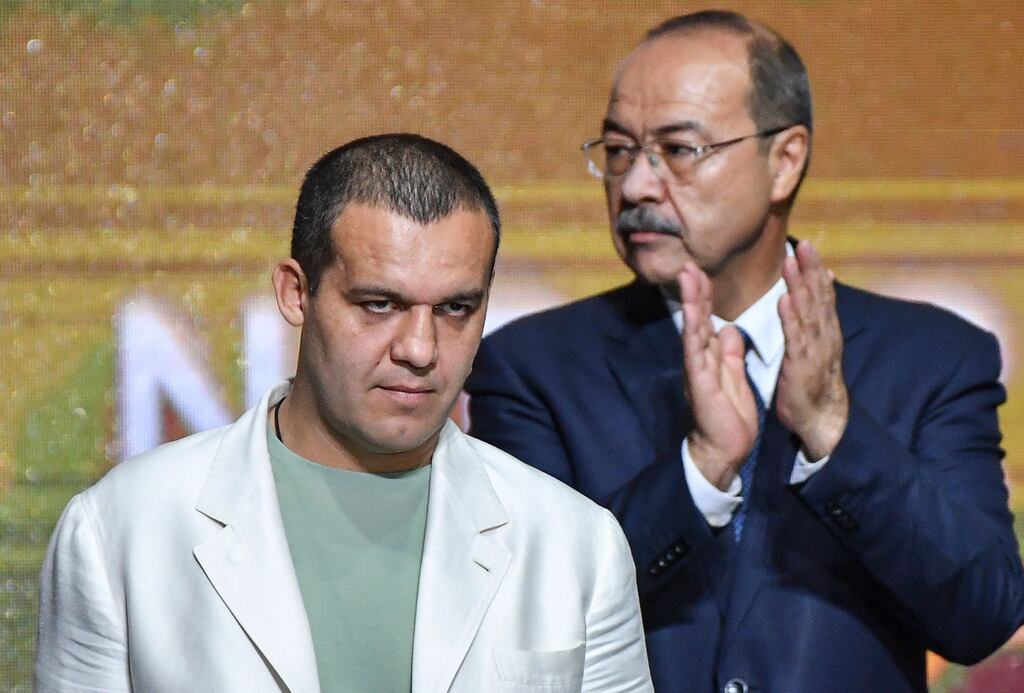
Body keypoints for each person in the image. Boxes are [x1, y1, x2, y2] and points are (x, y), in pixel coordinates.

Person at [466, 11, 1024, 693]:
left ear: (784, 159)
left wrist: (833, 433)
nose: (636, 186)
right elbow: (524, 623)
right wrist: (696, 473)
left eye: (679, 149)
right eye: (618, 151)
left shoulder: (934, 358)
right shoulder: (532, 368)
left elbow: (983, 616)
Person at [35, 134, 653, 692]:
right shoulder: (121, 528)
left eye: (456, 308)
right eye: (380, 303)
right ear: (295, 293)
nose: (419, 349)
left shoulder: (577, 544)